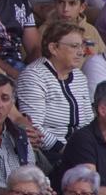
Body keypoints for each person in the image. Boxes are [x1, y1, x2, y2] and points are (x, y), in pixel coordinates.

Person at [16, 19, 92, 156]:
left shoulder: (79, 77)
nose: (81, 52)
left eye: (82, 46)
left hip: (80, 150)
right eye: (74, 46)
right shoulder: (34, 76)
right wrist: (67, 151)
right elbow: (34, 127)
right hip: (49, 154)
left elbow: (88, 122)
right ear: (53, 48)